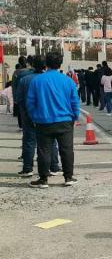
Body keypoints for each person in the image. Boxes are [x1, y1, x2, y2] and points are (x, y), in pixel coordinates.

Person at [27, 52, 80, 188]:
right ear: (60, 64)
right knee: (67, 150)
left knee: (44, 150)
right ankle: (68, 177)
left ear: (46, 64)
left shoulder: (37, 80)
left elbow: (30, 102)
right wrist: (75, 116)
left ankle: (43, 179)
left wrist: (34, 117)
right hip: (65, 120)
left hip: (43, 121)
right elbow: (75, 101)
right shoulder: (68, 81)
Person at [15, 55, 61, 178]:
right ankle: (54, 166)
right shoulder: (51, 79)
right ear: (45, 65)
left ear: (32, 65)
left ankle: (27, 168)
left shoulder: (24, 79)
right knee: (51, 141)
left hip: (29, 116)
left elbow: (19, 99)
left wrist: (25, 112)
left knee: (29, 141)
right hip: (48, 115)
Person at [11, 55, 34, 128]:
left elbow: (14, 85)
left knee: (21, 111)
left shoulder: (16, 73)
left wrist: (15, 98)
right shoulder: (31, 71)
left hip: (20, 94)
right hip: (29, 94)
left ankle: (21, 125)